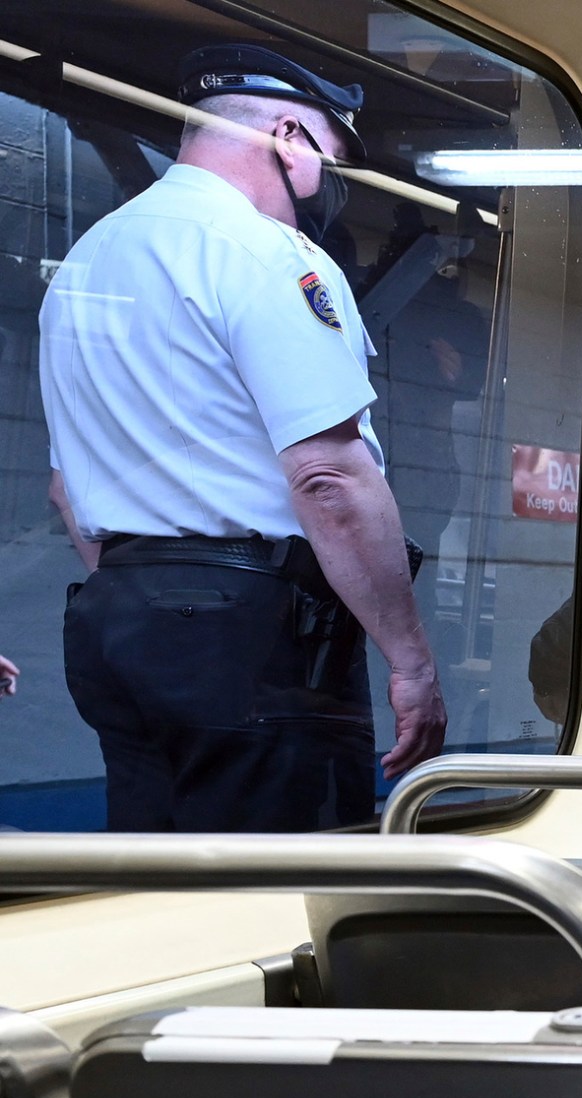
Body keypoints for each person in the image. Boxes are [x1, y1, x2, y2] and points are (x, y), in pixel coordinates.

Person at [39, 45, 444, 832]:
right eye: (329, 159)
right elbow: (328, 475)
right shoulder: (265, 254)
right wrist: (411, 661)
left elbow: (67, 488)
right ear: (290, 137)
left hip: (112, 615)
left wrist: (158, 599)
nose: (328, 184)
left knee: (149, 877)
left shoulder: (88, 262)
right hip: (250, 630)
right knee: (276, 885)